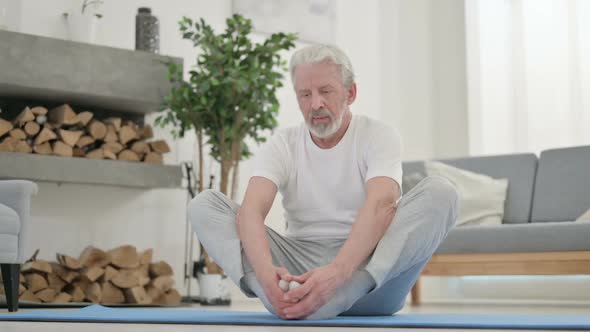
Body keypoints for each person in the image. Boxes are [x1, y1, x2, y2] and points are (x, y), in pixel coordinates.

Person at [188, 44, 458, 320]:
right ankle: (276, 295)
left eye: (325, 91)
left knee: (441, 192)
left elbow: (381, 205)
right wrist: (267, 275)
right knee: (204, 205)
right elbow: (251, 213)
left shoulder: (378, 135)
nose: (315, 103)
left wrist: (338, 273)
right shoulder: (284, 143)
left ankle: (339, 296)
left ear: (350, 93)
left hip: (369, 273)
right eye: (305, 94)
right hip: (299, 267)